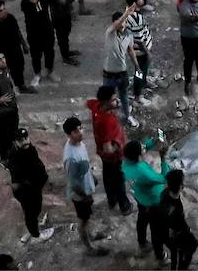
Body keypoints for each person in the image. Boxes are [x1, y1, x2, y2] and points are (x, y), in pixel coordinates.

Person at [62, 116, 109, 256]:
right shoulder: (70, 157)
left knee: (87, 217)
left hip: (86, 189)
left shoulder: (80, 144)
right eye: (76, 131)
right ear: (69, 134)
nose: (81, 132)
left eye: (81, 128)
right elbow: (73, 183)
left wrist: (91, 177)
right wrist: (85, 196)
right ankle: (89, 247)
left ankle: (91, 234)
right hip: (80, 196)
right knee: (83, 220)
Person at [87, 85, 134, 215]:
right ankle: (124, 205)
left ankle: (111, 200)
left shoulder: (96, 107)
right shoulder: (107, 121)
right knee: (118, 180)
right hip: (114, 157)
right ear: (106, 102)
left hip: (102, 155)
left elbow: (88, 103)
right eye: (114, 99)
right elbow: (108, 148)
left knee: (107, 176)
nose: (117, 101)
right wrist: (119, 146)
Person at [123, 137, 171, 264]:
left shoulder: (126, 162)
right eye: (142, 149)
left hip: (140, 198)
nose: (145, 149)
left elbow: (141, 148)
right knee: (156, 230)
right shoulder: (143, 173)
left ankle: (142, 243)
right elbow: (164, 179)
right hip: (153, 202)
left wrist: (153, 141)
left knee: (142, 220)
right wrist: (164, 159)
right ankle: (160, 256)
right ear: (139, 156)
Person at [7, 128, 55, 244]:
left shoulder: (30, 149)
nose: (25, 141)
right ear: (15, 142)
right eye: (20, 140)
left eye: (26, 138)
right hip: (26, 190)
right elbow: (19, 177)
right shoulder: (15, 156)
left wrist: (42, 178)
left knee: (36, 208)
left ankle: (32, 228)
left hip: (35, 186)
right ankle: (35, 235)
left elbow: (37, 164)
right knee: (30, 212)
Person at [102, 6, 140, 127]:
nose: (122, 23)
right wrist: (126, 14)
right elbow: (117, 24)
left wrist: (136, 65)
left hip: (122, 72)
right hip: (109, 72)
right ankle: (106, 119)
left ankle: (127, 115)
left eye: (124, 21)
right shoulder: (110, 32)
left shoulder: (128, 34)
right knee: (108, 97)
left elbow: (130, 50)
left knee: (123, 94)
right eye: (120, 21)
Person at [0, 0, 33, 92]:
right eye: (0, 11)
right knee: (7, 71)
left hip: (16, 47)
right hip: (4, 52)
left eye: (4, 9)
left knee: (20, 65)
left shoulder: (10, 18)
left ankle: (21, 85)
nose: (4, 12)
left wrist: (23, 44)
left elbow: (17, 31)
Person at [39, 0, 80, 65]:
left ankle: (66, 51)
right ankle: (65, 56)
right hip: (56, 15)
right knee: (62, 36)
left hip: (66, 11)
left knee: (67, 31)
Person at [20, 0, 57, 86]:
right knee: (36, 55)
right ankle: (37, 74)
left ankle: (50, 70)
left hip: (47, 31)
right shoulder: (25, 4)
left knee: (50, 52)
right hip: (34, 34)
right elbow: (31, 15)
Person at [160, 169, 198, 270]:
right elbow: (179, 226)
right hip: (175, 235)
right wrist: (188, 230)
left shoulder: (165, 193)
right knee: (189, 247)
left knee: (177, 252)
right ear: (181, 186)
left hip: (165, 231)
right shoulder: (175, 209)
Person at [125, 0, 155, 104]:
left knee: (142, 69)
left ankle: (143, 83)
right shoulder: (136, 19)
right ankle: (138, 94)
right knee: (140, 71)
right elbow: (139, 40)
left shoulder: (128, 17)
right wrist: (148, 52)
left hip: (137, 50)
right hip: (140, 51)